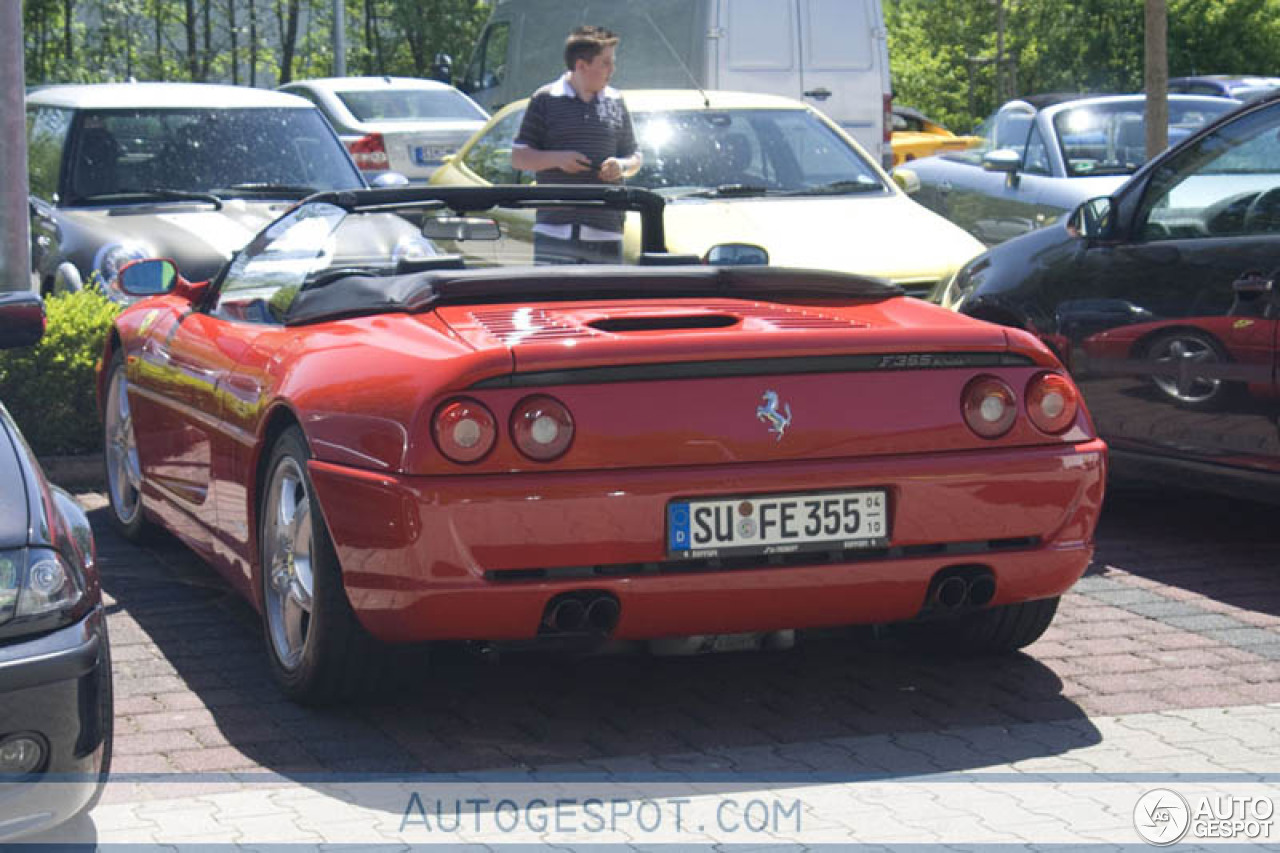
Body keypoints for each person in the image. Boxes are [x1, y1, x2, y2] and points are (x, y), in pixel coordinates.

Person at [511, 25, 644, 264]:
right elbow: (519, 157)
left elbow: (635, 156)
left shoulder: (616, 100)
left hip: (606, 228)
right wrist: (557, 159)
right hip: (554, 230)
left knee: (602, 302)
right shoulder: (545, 99)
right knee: (554, 301)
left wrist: (621, 166)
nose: (612, 69)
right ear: (582, 65)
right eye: (605, 63)